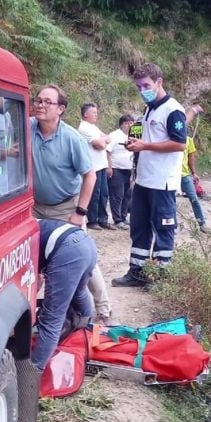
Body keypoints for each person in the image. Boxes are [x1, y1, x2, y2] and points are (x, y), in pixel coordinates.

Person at [30, 84, 114, 325]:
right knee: (32, 256)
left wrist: (80, 212)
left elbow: (90, 175)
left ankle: (103, 308)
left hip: (67, 207)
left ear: (61, 109)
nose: (40, 105)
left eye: (47, 102)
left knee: (81, 257)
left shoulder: (71, 138)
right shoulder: (27, 128)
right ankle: (27, 310)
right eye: (38, 100)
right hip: (35, 207)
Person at [112, 63, 187, 288]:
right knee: (139, 227)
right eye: (138, 86)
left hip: (162, 181)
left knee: (163, 228)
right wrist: (134, 144)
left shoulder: (173, 109)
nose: (142, 89)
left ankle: (159, 277)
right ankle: (137, 271)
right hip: (144, 179)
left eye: (146, 85)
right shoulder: (148, 109)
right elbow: (144, 137)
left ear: (159, 82)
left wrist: (145, 146)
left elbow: (179, 144)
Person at [31, 218, 95, 372]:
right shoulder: (31, 222)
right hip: (85, 242)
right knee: (78, 291)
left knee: (51, 318)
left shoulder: (18, 238)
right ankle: (82, 329)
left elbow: (34, 282)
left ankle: (33, 372)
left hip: (66, 249)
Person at [77, 103, 114, 230]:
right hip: (93, 166)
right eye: (93, 112)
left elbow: (107, 138)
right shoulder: (84, 127)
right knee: (95, 194)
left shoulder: (93, 127)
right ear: (86, 114)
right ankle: (92, 220)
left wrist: (103, 140)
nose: (96, 115)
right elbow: (101, 144)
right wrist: (103, 140)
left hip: (101, 164)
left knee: (104, 193)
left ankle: (102, 219)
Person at [107, 114, 135, 229]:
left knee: (127, 195)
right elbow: (108, 151)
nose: (131, 125)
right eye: (129, 123)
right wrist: (109, 167)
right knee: (117, 195)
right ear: (123, 124)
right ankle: (117, 219)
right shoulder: (114, 135)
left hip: (129, 169)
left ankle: (123, 217)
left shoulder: (133, 135)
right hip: (116, 168)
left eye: (132, 123)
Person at [180, 135, 211, 234]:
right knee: (169, 200)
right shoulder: (168, 138)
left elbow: (191, 157)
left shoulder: (188, 140)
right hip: (170, 175)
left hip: (184, 174)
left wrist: (194, 173)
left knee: (194, 198)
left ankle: (202, 223)